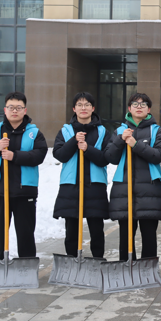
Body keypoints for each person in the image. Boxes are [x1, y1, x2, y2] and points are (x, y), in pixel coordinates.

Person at [0, 92, 48, 259]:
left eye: (18, 107)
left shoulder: (34, 133)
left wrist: (14, 156)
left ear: (25, 110)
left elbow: (39, 155)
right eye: (11, 107)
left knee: (26, 233)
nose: (14, 111)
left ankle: (26, 265)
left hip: (25, 190)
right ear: (5, 109)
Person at [104, 93, 161, 261]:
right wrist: (120, 140)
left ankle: (147, 269)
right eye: (135, 104)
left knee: (149, 236)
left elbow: (159, 155)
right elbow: (110, 157)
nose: (139, 107)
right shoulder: (119, 131)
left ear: (149, 109)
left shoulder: (156, 131)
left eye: (143, 104)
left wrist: (136, 145)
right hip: (124, 191)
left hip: (150, 191)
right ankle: (126, 268)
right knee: (126, 237)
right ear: (129, 108)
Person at [52, 92, 112, 259]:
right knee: (71, 229)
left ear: (93, 108)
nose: (83, 108)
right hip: (71, 186)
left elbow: (106, 158)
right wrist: (73, 141)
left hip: (95, 186)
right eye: (79, 105)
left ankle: (97, 260)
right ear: (74, 108)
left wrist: (87, 149)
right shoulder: (65, 131)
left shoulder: (102, 132)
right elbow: (60, 155)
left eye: (87, 105)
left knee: (96, 229)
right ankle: (72, 261)